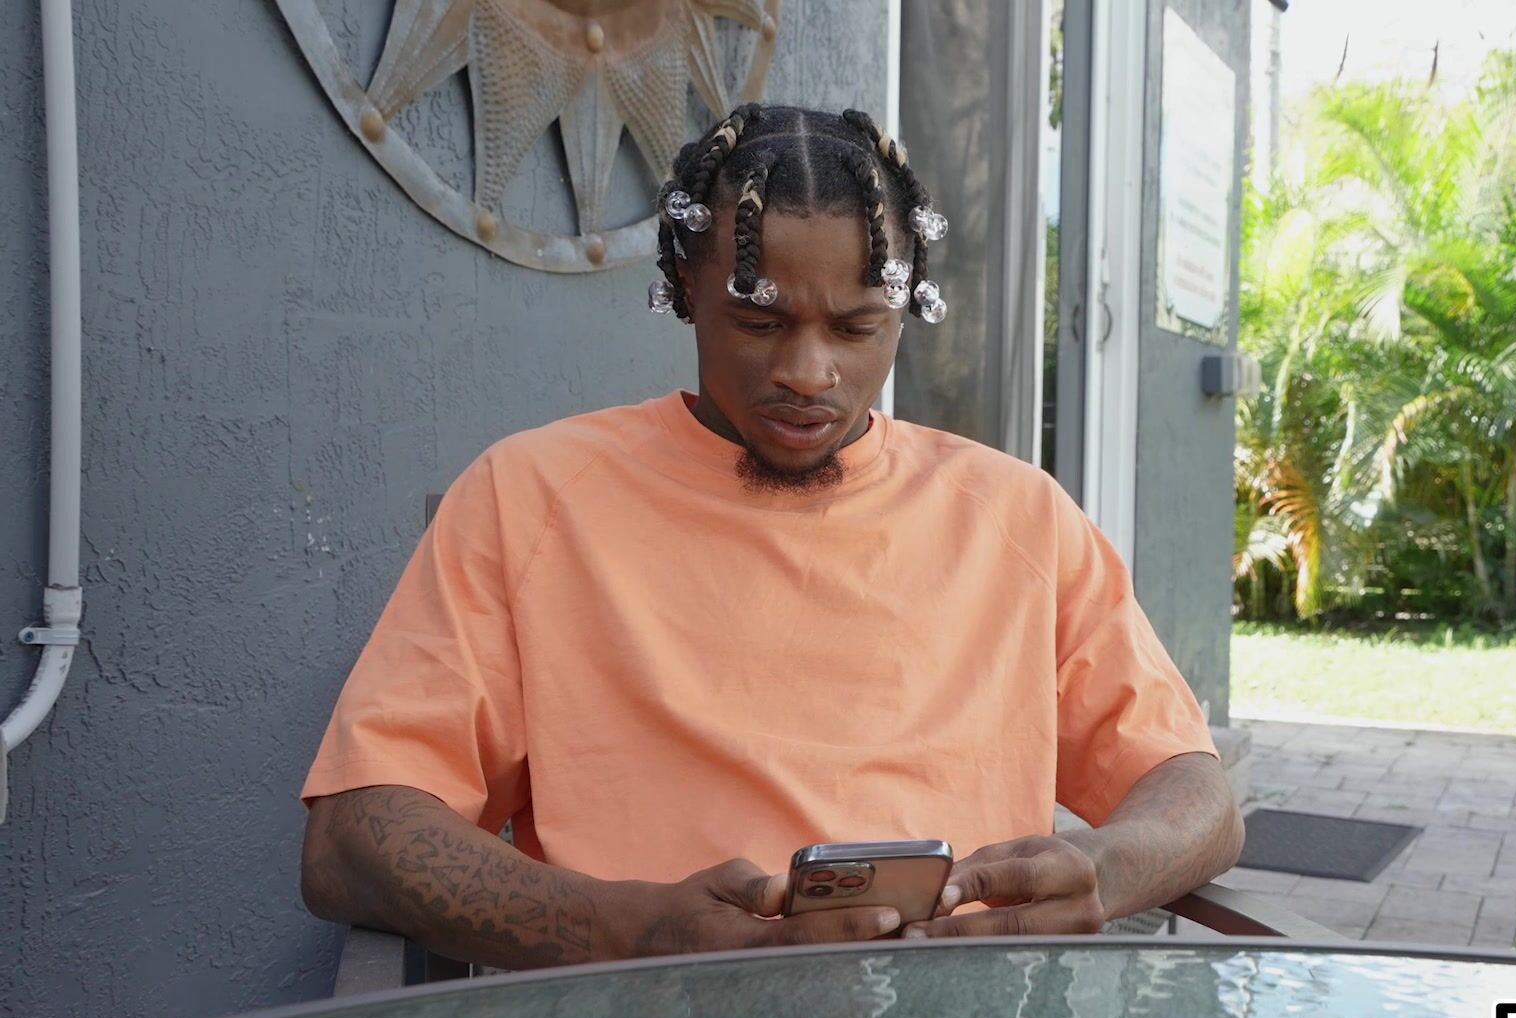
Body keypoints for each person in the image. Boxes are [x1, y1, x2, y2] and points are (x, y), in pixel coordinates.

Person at [298, 104, 1243, 970]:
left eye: (858, 327)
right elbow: (353, 838)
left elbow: (1195, 797)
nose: (808, 372)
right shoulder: (532, 501)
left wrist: (1104, 869)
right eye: (759, 319)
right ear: (685, 285)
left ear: (905, 307)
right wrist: (629, 931)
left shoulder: (1017, 519)